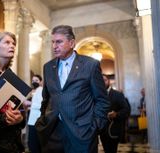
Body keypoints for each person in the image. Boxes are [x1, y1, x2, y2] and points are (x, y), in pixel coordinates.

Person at [35, 25, 110, 153]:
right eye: (53, 42)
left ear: (71, 43)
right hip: (52, 132)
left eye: (59, 42)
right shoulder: (48, 67)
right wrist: (42, 120)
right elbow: (46, 99)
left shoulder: (90, 65)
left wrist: (94, 127)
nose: (54, 46)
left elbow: (102, 100)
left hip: (82, 134)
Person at [99, 74, 130, 153]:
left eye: (105, 80)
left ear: (109, 81)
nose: (102, 82)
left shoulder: (117, 94)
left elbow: (126, 110)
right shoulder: (98, 95)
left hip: (113, 129)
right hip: (102, 130)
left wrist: (116, 114)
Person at [24, 75, 43, 153]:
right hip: (31, 119)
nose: (34, 82)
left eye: (36, 80)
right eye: (33, 80)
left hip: (37, 120)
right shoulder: (32, 91)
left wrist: (30, 103)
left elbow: (42, 106)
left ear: (41, 81)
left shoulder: (41, 90)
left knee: (34, 143)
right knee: (31, 142)